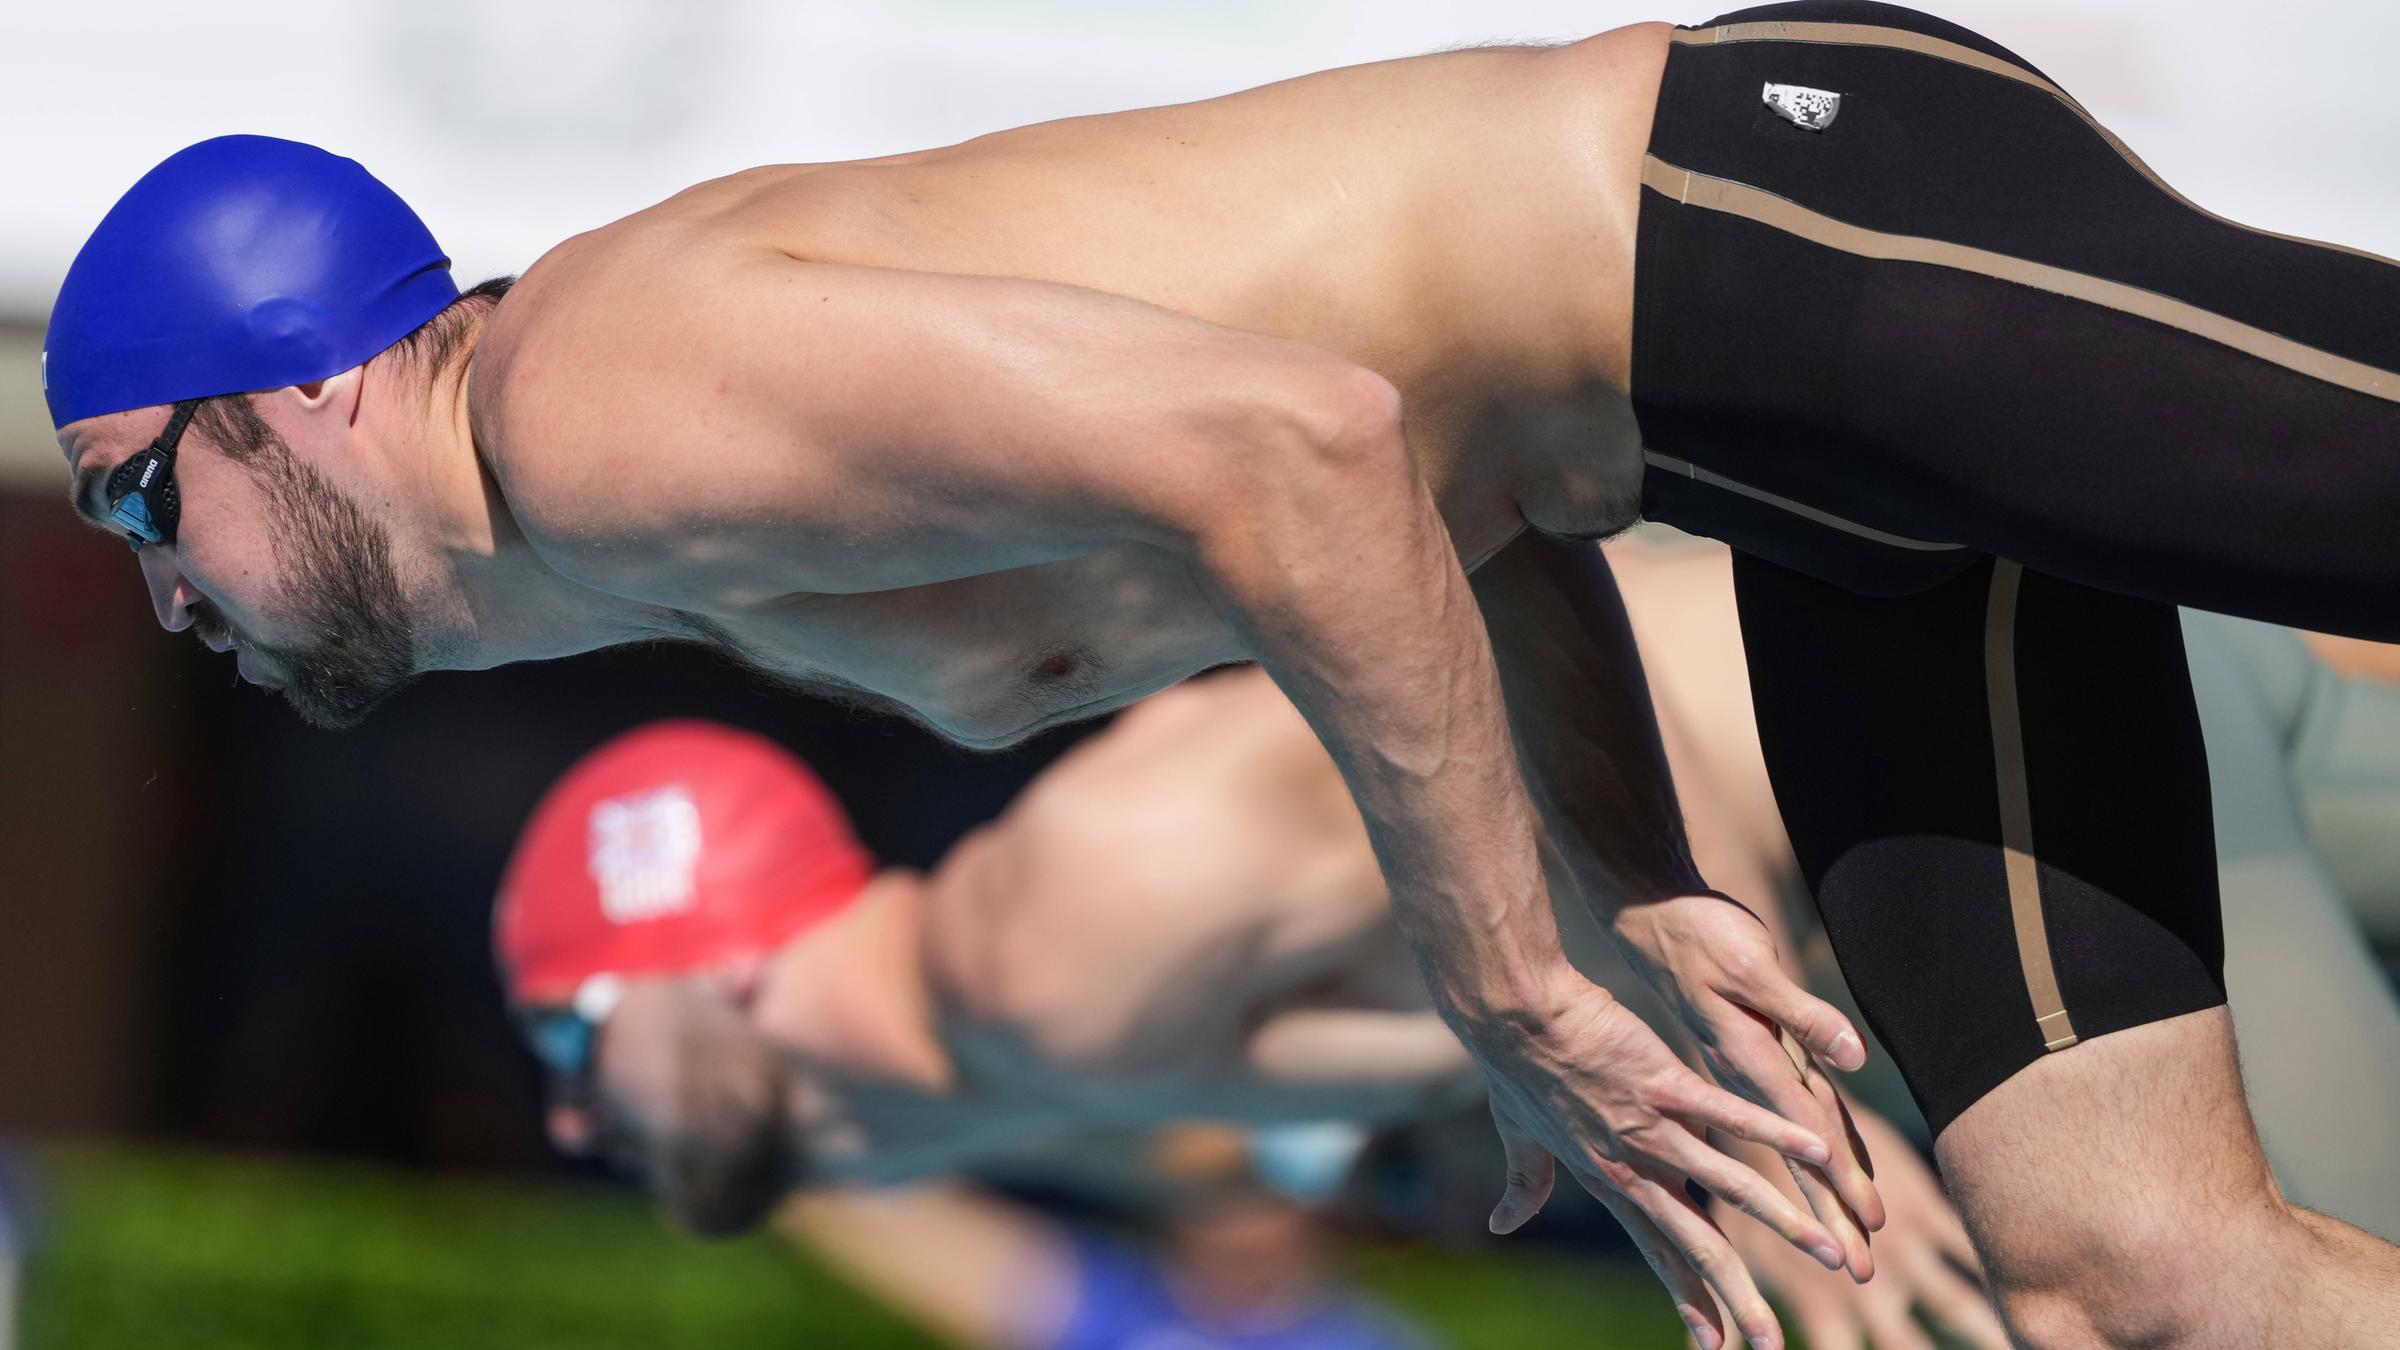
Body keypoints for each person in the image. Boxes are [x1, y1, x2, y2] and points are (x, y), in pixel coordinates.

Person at [51, 1, 2400, 1339]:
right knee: (2143, 1286)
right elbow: (1430, 501)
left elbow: (1306, 445)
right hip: (1769, 479)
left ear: (320, 378)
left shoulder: (594, 409)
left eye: (144, 496)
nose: (158, 591)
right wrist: (1624, 867)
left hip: (1775, 237)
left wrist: (1515, 983)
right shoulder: (686, 554)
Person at [494, 699, 2004, 1346]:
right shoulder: (1050, 1090)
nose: (564, 1117)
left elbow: (1483, 628)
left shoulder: (1053, 933)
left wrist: (1773, 1086)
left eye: (569, 1040)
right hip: (1914, 866)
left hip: (1932, 752)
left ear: (716, 959)